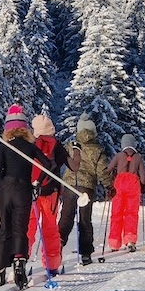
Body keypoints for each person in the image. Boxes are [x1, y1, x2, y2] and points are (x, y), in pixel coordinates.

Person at [0, 104, 53, 289]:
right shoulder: (30, 147)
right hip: (23, 189)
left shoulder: (5, 146)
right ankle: (19, 265)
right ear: (25, 128)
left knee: (4, 229)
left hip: (6, 189)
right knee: (20, 229)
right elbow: (48, 164)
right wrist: (37, 182)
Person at [26, 114, 81, 276]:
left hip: (32, 192)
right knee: (50, 230)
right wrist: (77, 150)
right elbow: (74, 167)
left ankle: (21, 260)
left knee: (28, 228)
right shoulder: (56, 145)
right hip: (52, 193)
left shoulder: (31, 145)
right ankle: (52, 265)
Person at [58, 113, 113, 266]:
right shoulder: (98, 149)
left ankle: (56, 246)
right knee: (84, 220)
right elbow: (102, 171)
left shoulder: (71, 145)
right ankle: (86, 254)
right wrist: (108, 185)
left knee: (66, 217)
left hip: (70, 185)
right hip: (86, 187)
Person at [106, 133, 145, 252]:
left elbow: (108, 169)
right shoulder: (138, 157)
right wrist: (143, 184)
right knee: (131, 213)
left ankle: (114, 242)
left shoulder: (119, 155)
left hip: (119, 184)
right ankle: (130, 240)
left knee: (117, 212)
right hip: (133, 185)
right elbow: (143, 178)